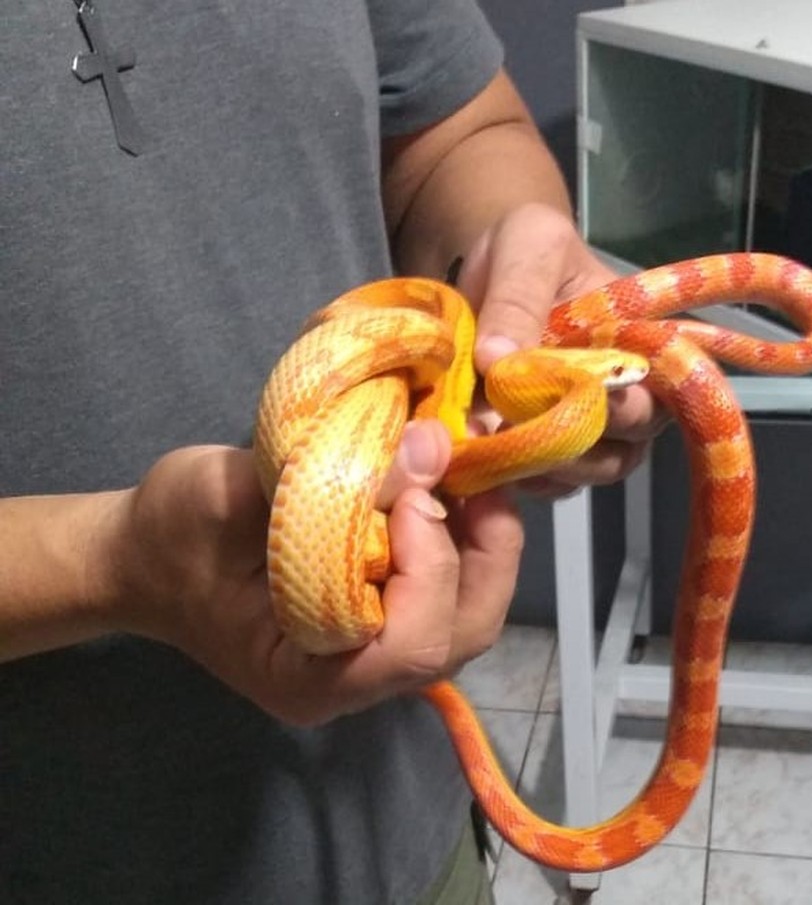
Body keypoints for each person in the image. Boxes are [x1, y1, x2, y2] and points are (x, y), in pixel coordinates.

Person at [1, 2, 663, 902]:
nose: (621, 378)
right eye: (610, 374)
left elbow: (459, 129)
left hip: (400, 830)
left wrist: (510, 252)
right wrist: (111, 562)